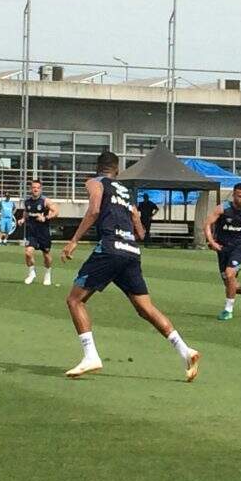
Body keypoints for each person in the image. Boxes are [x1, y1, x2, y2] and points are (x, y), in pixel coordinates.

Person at [61, 151, 200, 381]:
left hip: (110, 248)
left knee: (75, 300)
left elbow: (94, 210)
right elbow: (141, 233)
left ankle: (90, 356)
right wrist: (135, 220)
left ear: (99, 168)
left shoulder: (95, 182)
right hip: (131, 252)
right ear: (117, 170)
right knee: (146, 308)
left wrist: (74, 240)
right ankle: (186, 351)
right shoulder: (126, 191)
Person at [203, 182, 241, 320]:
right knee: (230, 284)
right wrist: (212, 242)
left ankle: (228, 310)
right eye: (240, 196)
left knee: (230, 275)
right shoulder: (222, 209)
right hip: (223, 249)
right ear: (234, 195)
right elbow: (207, 224)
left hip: (239, 248)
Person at [18, 179, 58, 285]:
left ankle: (47, 274)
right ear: (31, 189)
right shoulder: (27, 202)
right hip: (32, 232)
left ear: (40, 189)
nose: (35, 189)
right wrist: (23, 219)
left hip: (43, 233)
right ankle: (32, 273)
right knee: (28, 252)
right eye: (33, 187)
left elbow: (56, 211)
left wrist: (45, 217)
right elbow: (26, 213)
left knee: (46, 255)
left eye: (37, 187)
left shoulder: (45, 201)